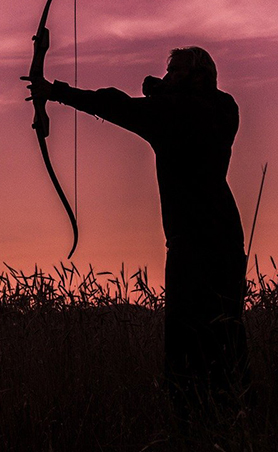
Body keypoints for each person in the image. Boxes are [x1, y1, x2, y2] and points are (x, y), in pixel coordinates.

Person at [25, 45, 249, 415]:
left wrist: (55, 91)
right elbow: (180, 104)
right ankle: (235, 412)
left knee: (185, 337)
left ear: (196, 76)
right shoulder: (226, 109)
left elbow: (114, 104)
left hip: (191, 245)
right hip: (226, 239)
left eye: (175, 71)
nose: (167, 76)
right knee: (227, 333)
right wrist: (162, 90)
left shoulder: (170, 113)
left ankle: (190, 416)